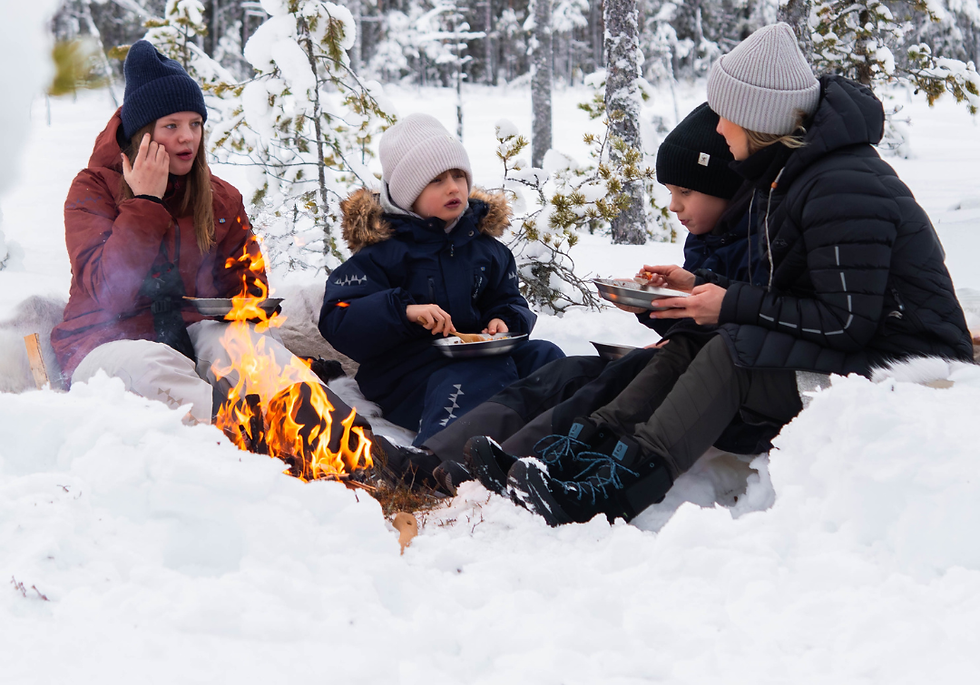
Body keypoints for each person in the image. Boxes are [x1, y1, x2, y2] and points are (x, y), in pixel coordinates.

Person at [500, 22, 974, 526]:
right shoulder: (796, 174)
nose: (720, 129)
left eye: (726, 116)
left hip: (906, 377)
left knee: (732, 352)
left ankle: (616, 490)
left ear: (757, 118)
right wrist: (706, 290)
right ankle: (586, 456)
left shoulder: (843, 186)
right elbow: (801, 301)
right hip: (863, 354)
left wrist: (728, 304)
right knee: (699, 341)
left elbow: (844, 321)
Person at [426, 101, 766, 495]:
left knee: (604, 384)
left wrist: (676, 314)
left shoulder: (759, 244)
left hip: (722, 394)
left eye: (685, 192)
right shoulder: (708, 239)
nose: (674, 206)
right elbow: (695, 325)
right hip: (688, 367)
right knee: (563, 372)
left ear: (725, 186)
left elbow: (743, 326)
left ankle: (512, 465)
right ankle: (438, 457)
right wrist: (652, 308)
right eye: (671, 192)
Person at [51, 40, 371, 440]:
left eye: (195, 124)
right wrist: (146, 202)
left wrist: (245, 311)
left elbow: (248, 290)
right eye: (171, 126)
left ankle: (349, 441)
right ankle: (253, 448)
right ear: (142, 134)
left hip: (189, 334)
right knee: (154, 366)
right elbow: (107, 291)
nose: (187, 138)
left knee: (245, 349)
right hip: (102, 343)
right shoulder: (92, 188)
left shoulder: (220, 197)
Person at [318, 113, 564, 447]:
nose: (453, 187)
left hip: (482, 358)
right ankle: (441, 457)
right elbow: (339, 316)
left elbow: (508, 300)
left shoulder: (487, 250)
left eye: (458, 176)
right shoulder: (381, 253)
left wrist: (502, 320)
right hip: (406, 377)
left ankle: (566, 439)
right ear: (408, 195)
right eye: (436, 180)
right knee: (478, 376)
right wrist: (403, 311)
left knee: (546, 357)